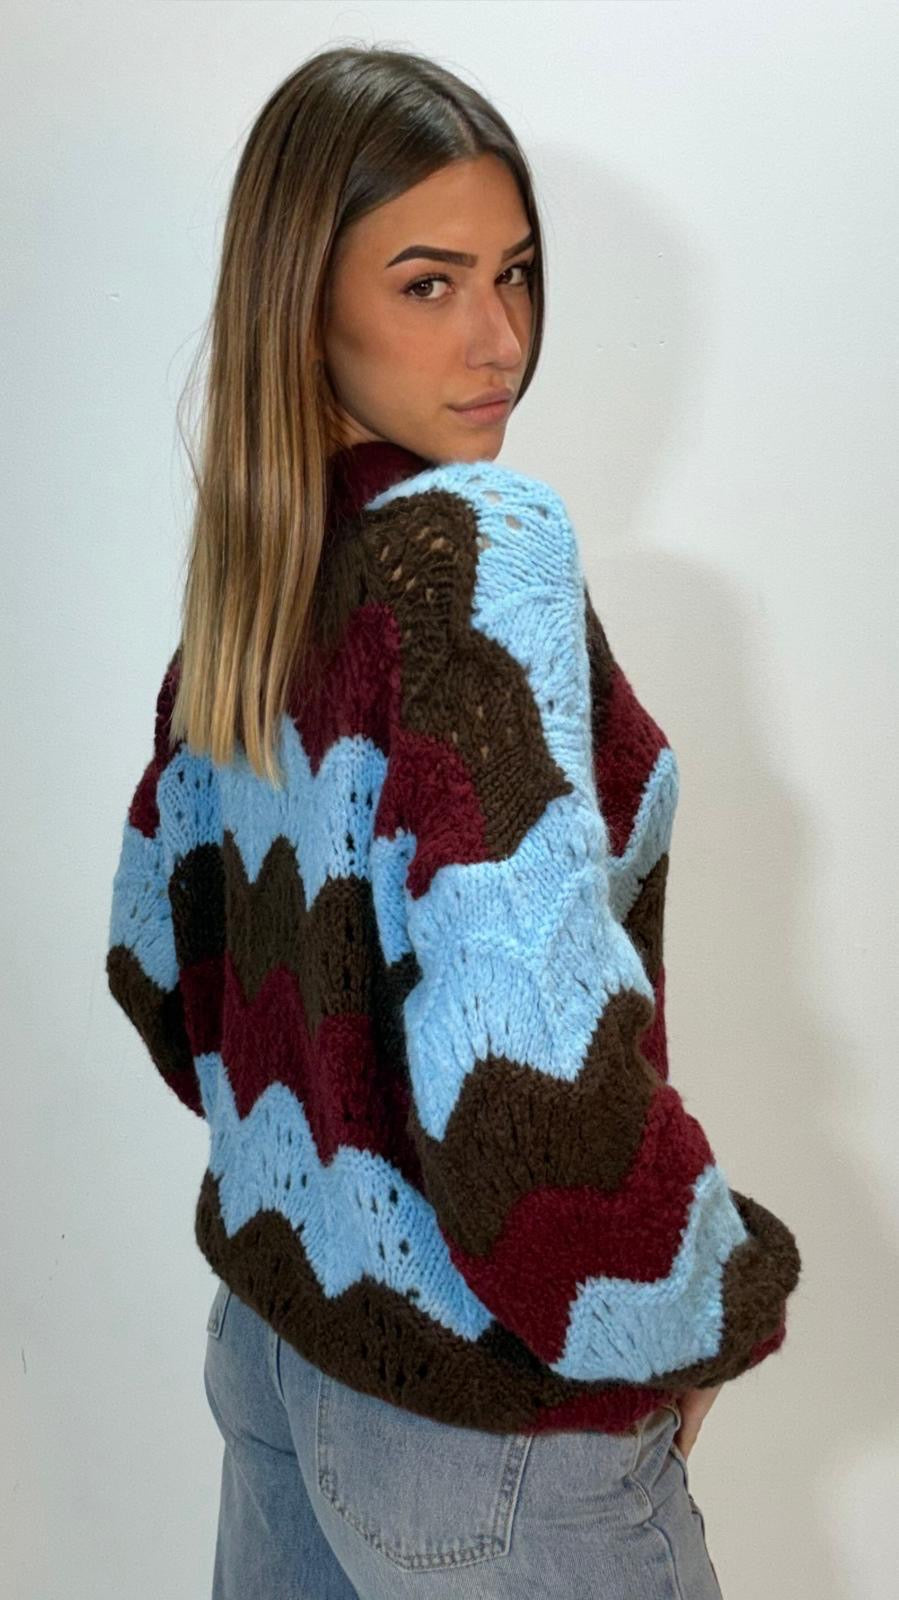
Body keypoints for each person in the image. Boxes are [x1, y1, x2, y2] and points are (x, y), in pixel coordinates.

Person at [105, 43, 801, 1600]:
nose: (501, 340)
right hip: (488, 1436)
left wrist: (335, 1153)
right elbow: (529, 1066)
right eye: (429, 284)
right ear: (305, 305)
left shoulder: (255, 588)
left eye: (518, 274)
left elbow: (164, 970)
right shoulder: (476, 553)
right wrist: (681, 1311)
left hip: (279, 1359)